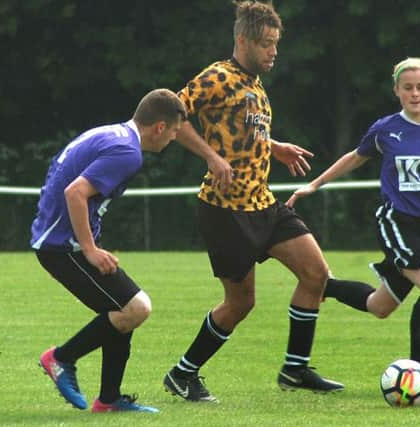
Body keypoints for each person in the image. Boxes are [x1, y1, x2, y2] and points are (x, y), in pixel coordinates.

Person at [162, 1, 344, 403]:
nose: (273, 51)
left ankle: (295, 369)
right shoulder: (218, 76)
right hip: (225, 210)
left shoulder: (256, 84)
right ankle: (182, 373)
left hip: (264, 205)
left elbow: (242, 130)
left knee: (315, 274)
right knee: (240, 303)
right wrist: (211, 156)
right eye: (265, 44)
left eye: (276, 43)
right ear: (242, 40)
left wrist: (272, 145)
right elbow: (172, 114)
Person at [287, 57, 420, 384]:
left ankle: (322, 285)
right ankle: (419, 366)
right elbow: (355, 157)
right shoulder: (387, 129)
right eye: (408, 88)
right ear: (397, 90)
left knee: (379, 305)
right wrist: (315, 184)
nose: (415, 93)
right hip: (396, 220)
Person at [32, 88, 186, 413]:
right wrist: (88, 248)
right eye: (174, 131)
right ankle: (60, 359)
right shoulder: (128, 151)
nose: (173, 139)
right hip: (63, 247)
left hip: (60, 240)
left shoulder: (112, 133)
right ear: (159, 127)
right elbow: (76, 192)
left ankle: (109, 400)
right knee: (136, 308)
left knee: (123, 309)